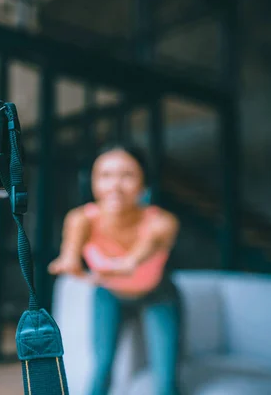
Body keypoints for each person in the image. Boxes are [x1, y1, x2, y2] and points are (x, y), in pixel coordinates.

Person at [48, 143, 182, 395]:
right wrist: (69, 262)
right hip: (109, 294)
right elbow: (71, 250)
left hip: (158, 294)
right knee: (101, 369)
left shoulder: (162, 222)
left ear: (144, 184)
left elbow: (149, 244)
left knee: (166, 379)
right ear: (93, 182)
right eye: (105, 176)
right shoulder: (82, 219)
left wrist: (130, 262)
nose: (115, 186)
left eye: (127, 175)